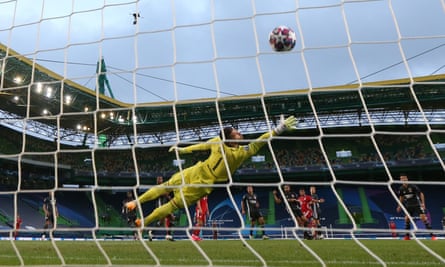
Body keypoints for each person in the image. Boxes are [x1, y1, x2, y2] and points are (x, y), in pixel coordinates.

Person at [124, 116, 297, 235]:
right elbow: (200, 147)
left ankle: (143, 223)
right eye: (236, 132)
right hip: (197, 170)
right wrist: (182, 149)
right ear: (229, 138)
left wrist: (278, 129)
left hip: (205, 183)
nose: (239, 133)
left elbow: (261, 141)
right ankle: (134, 203)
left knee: (173, 204)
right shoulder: (217, 142)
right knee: (166, 185)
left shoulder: (243, 152)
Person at [396, 173, 436, 240]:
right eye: (401, 178)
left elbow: (421, 194)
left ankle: (433, 236)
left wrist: (423, 203)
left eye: (404, 178)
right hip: (408, 206)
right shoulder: (401, 188)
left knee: (423, 218)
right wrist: (399, 206)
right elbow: (401, 197)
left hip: (417, 204)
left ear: (407, 179)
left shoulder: (412, 186)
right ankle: (407, 236)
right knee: (407, 219)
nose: (403, 179)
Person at [153, 176, 175, 241]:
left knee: (163, 221)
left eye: (161, 179)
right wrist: (169, 197)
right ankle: (168, 235)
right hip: (160, 206)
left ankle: (152, 232)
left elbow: (166, 194)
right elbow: (165, 194)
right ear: (157, 180)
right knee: (171, 218)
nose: (161, 180)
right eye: (159, 179)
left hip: (164, 205)